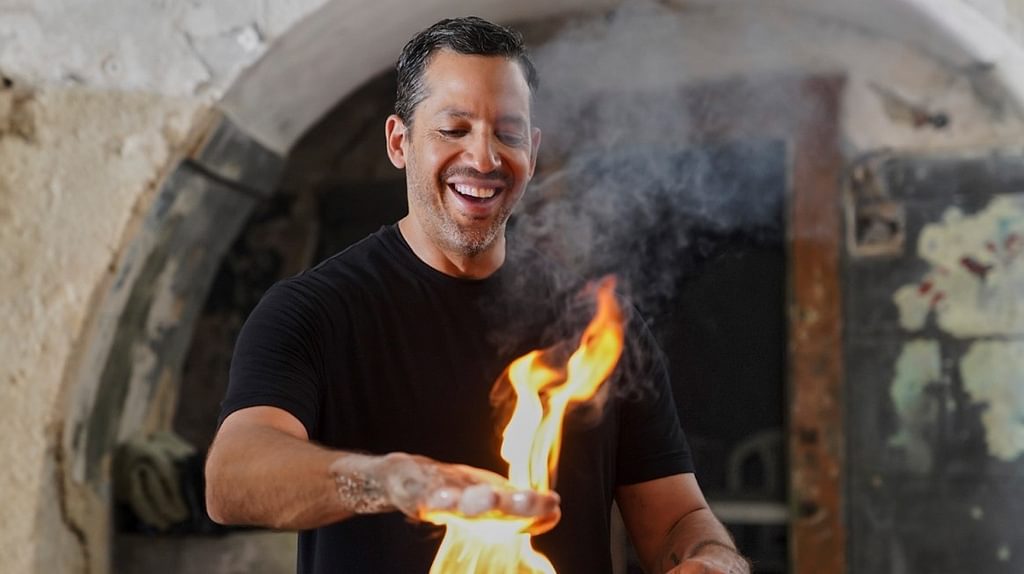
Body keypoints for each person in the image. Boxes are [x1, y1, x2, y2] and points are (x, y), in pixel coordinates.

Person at [205, 16, 750, 574]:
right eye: (454, 128)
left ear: (532, 151)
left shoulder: (601, 328)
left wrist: (714, 561)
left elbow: (678, 519)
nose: (484, 159)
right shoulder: (310, 312)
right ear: (399, 142)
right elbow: (232, 479)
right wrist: (388, 481)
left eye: (508, 134)